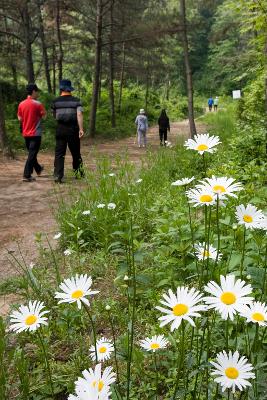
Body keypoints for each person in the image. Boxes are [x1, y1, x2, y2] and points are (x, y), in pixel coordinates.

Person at [52, 79, 84, 183]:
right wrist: (81, 129)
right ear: (70, 89)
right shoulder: (76, 101)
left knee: (59, 153)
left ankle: (58, 175)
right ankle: (78, 173)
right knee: (75, 152)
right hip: (73, 129)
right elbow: (79, 114)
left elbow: (54, 115)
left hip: (60, 129)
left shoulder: (55, 101)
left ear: (61, 89)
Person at [17, 83, 46, 182]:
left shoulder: (21, 104)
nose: (38, 93)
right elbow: (44, 116)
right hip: (35, 134)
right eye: (37, 91)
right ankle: (27, 175)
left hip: (26, 133)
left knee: (31, 153)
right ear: (33, 91)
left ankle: (38, 169)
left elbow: (20, 118)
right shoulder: (38, 104)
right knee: (32, 154)